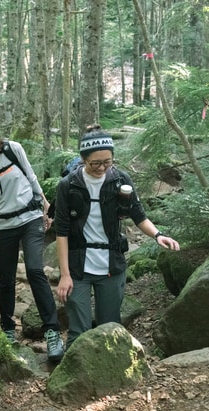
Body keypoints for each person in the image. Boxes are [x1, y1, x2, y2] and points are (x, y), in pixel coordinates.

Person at [54, 124, 180, 348]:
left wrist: (158, 235)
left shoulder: (121, 180)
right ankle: (75, 380)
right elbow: (61, 231)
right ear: (83, 159)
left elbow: (139, 215)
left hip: (112, 264)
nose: (102, 168)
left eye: (107, 162)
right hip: (77, 266)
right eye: (96, 163)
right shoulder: (68, 185)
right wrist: (64, 275)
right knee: (78, 333)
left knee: (109, 328)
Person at [0, 113, 64, 362]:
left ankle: (52, 333)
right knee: (6, 279)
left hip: (29, 219)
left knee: (34, 270)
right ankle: (7, 330)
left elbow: (31, 177)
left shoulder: (12, 149)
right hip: (2, 226)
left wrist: (46, 207)